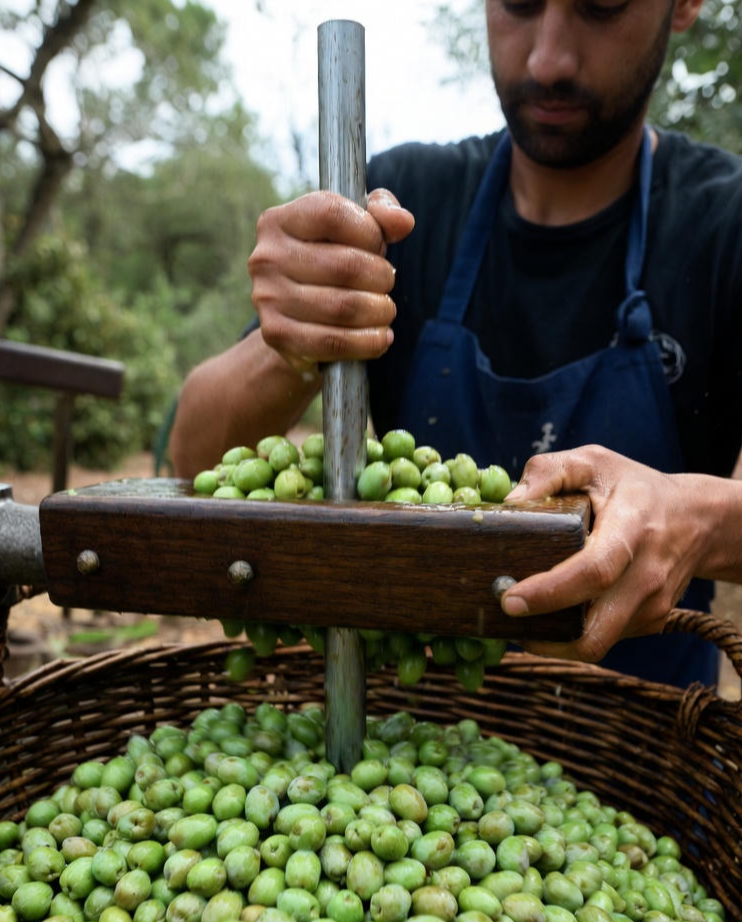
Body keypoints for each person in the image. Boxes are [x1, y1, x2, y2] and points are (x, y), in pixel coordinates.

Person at [170, 0, 742, 688]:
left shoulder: (723, 224)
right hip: (409, 741)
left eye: (600, 6)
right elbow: (193, 459)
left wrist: (699, 520)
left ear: (682, 6)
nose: (547, 59)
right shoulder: (398, 209)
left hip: (647, 751)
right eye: (518, 5)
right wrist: (290, 337)